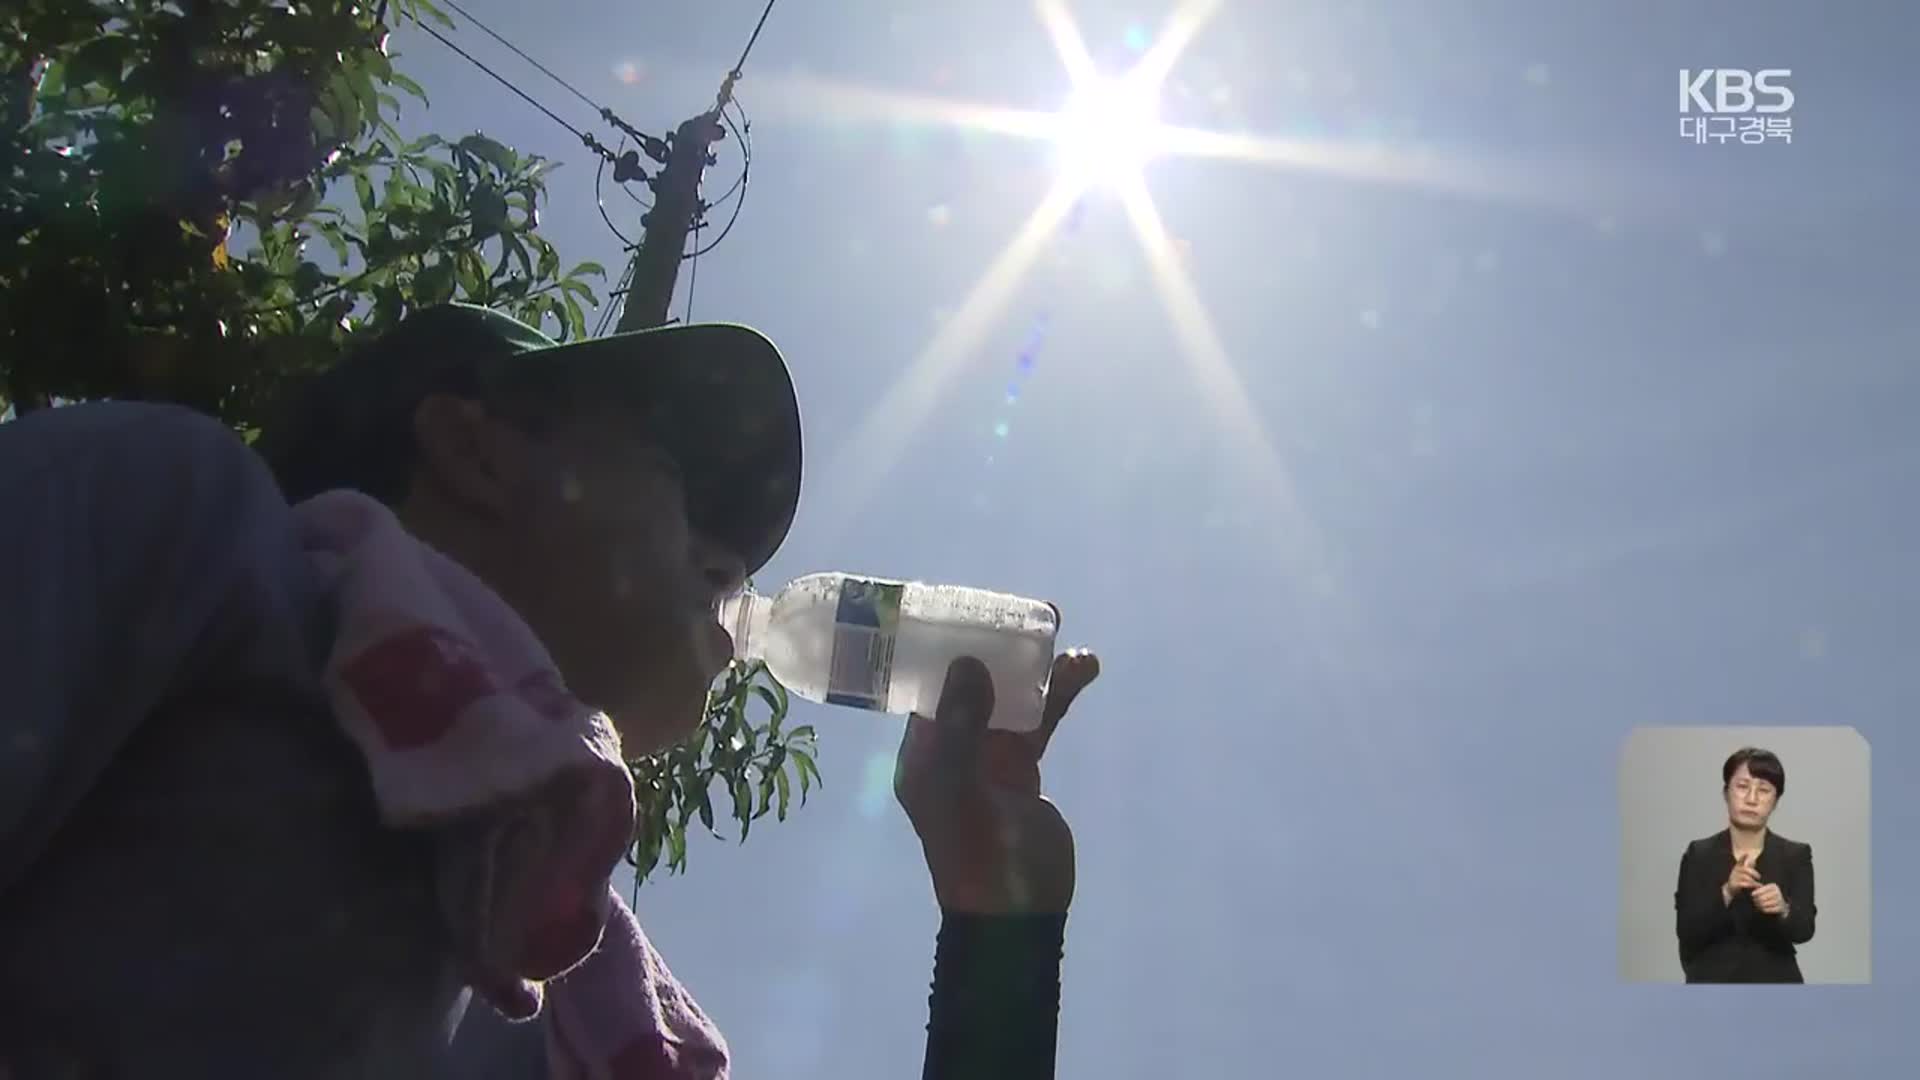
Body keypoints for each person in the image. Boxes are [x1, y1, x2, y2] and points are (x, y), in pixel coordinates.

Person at [0, 303, 1100, 1078]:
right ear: (473, 450)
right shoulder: (200, 542)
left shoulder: (587, 1005)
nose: (731, 567)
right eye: (680, 485)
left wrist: (995, 925)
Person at [1672, 746, 1816, 983]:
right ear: (1726, 792)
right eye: (1742, 787)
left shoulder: (1796, 855)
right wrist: (1727, 892)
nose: (1751, 799)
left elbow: (1804, 930)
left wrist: (1783, 908)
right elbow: (1686, 932)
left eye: (1764, 790)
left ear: (1776, 801)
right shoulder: (1698, 854)